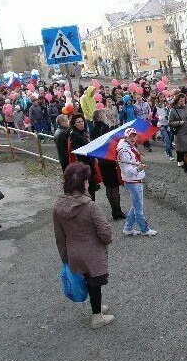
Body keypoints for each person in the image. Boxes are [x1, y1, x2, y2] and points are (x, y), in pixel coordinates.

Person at [53, 162, 115, 330]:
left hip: (74, 252)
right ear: (83, 183)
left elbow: (59, 236)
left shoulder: (58, 207)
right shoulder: (90, 206)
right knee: (95, 283)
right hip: (92, 252)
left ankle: (97, 307)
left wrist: (65, 256)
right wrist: (106, 240)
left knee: (87, 280)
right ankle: (97, 317)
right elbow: (104, 231)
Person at [117, 128, 157, 236]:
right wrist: (138, 168)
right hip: (133, 181)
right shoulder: (124, 151)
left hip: (134, 180)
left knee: (136, 205)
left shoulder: (129, 147)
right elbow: (129, 171)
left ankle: (128, 228)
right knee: (138, 208)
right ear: (125, 137)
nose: (133, 138)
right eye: (130, 136)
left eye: (134, 135)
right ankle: (145, 230)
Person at [91, 109, 125, 220]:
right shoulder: (105, 128)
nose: (106, 116)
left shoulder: (93, 129)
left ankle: (114, 210)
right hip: (109, 160)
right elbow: (110, 143)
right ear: (101, 117)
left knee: (108, 186)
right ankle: (117, 211)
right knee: (114, 187)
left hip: (101, 160)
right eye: (104, 115)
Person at [68, 114, 100, 200]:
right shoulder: (74, 134)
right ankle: (88, 208)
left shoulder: (84, 132)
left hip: (90, 163)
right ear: (74, 124)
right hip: (83, 165)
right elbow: (75, 150)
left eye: (82, 121)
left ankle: (91, 207)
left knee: (92, 188)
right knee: (87, 189)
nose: (81, 123)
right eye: (78, 122)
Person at [157, 96, 175, 161]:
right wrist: (158, 118)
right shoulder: (159, 108)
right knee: (167, 139)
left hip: (169, 126)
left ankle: (167, 150)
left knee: (170, 140)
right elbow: (153, 116)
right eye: (168, 104)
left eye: (171, 104)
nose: (169, 105)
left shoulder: (172, 110)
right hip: (162, 125)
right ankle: (170, 155)